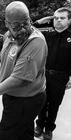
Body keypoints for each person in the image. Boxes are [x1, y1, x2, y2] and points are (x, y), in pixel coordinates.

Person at [0, 1, 47, 140]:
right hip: (12, 97)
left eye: (25, 23)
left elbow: (18, 79)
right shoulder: (8, 36)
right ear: (7, 24)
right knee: (23, 134)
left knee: (3, 135)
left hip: (26, 100)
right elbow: (4, 61)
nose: (23, 29)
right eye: (16, 26)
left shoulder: (36, 42)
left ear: (28, 19)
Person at [33, 7, 71, 140]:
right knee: (41, 101)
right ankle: (39, 126)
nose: (58, 20)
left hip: (61, 77)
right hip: (44, 75)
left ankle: (49, 129)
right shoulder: (47, 34)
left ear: (69, 20)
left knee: (54, 104)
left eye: (62, 18)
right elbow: (31, 29)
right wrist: (42, 20)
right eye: (56, 18)